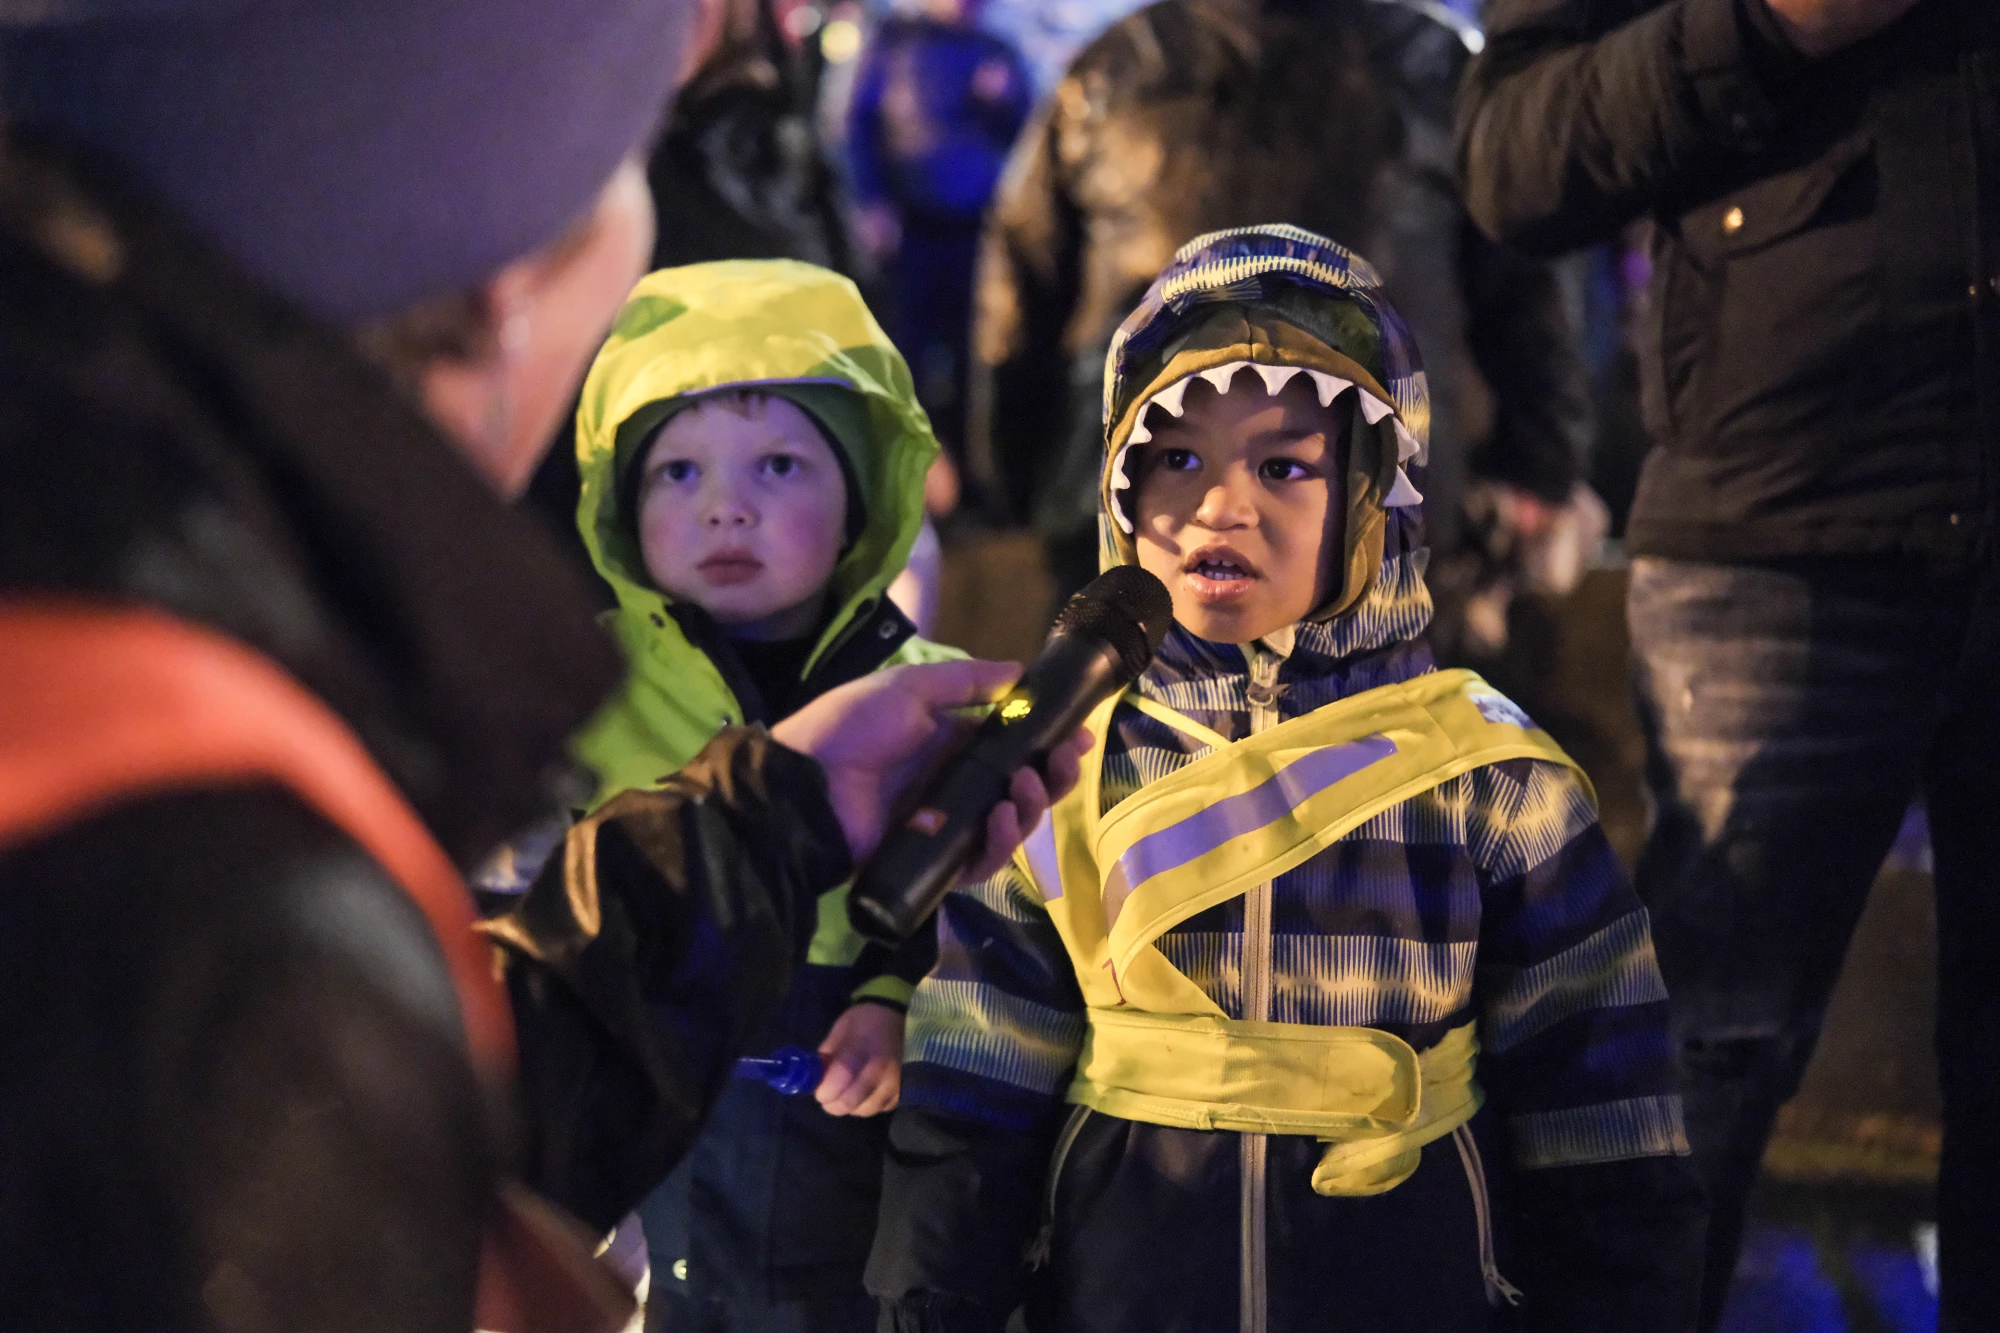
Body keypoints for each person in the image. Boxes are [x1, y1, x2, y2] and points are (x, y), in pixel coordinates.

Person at [0, 5, 1081, 1331]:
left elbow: (437, 1117)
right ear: (508, 296)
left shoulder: (124, 620)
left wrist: (770, 821)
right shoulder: (229, 898)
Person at [866, 225, 1704, 1333]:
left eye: (1282, 466)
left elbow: (1602, 1105)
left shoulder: (1491, 782)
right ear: (1118, 487)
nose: (1221, 506)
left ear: (1372, 497)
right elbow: (976, 1076)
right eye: (1175, 458)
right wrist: (932, 1301)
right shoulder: (1061, 768)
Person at [1455, 1, 2000, 1326]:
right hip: (1779, 507)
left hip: (1783, 492)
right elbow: (1515, 158)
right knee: (1697, 1061)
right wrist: (1766, 23)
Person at [560, 258, 962, 1330]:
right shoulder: (572, 698)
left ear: (863, 498)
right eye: (676, 471)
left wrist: (896, 998)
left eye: (779, 464)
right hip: (647, 1226)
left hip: (852, 1222)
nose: (725, 508)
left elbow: (987, 916)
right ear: (619, 499)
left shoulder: (930, 704)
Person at [970, 0, 1593, 606]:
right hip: (1374, 508)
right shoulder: (1438, 66)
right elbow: (1528, 276)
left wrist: (1013, 474)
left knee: (1126, 674)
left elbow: (1018, 295)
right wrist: (1541, 466)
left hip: (1135, 506)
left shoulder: (1109, 71)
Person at [847, 0, 1033, 461]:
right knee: (906, 346)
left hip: (977, 229)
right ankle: (903, 460)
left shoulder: (993, 49)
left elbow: (1026, 133)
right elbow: (861, 125)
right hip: (911, 227)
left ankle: (973, 466)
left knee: (974, 352)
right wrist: (873, 202)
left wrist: (1004, 100)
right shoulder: (896, 44)